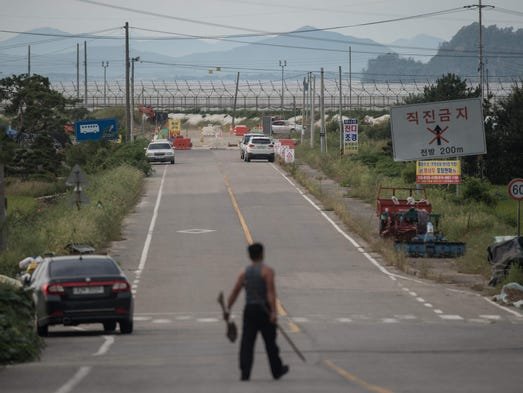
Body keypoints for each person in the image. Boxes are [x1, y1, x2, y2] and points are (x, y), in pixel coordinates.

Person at [226, 242, 289, 381]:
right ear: (262, 254)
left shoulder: (244, 272)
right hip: (264, 310)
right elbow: (271, 293)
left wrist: (228, 307)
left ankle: (245, 372)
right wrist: (273, 312)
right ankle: (277, 370)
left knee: (247, 343)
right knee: (270, 342)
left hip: (250, 311)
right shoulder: (268, 271)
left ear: (249, 256)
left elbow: (235, 291)